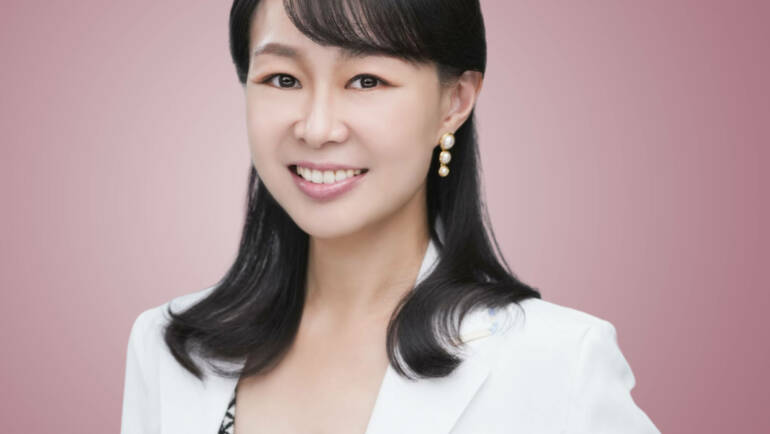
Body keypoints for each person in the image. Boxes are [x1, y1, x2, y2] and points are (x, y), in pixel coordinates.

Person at [120, 0, 660, 433]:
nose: (317, 128)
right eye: (282, 79)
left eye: (366, 81)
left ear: (455, 102)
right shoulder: (168, 347)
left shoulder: (559, 362)